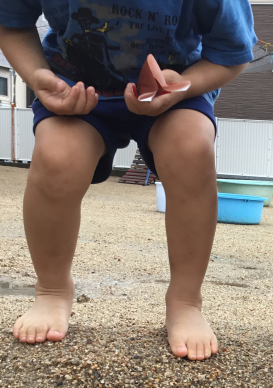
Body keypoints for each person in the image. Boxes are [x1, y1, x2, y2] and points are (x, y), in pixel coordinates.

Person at [0, 1, 257, 360]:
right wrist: (36, 74)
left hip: (172, 88)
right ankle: (52, 289)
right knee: (57, 159)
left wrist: (185, 86)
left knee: (191, 151)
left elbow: (232, 51)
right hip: (73, 88)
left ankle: (185, 300)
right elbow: (11, 22)